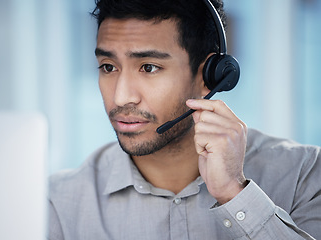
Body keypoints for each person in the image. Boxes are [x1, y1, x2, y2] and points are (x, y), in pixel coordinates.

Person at [48, 0, 321, 239]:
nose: (121, 97)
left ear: (209, 76)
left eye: (149, 67)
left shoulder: (303, 175)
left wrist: (234, 193)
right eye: (109, 67)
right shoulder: (59, 203)